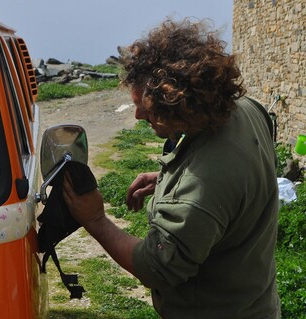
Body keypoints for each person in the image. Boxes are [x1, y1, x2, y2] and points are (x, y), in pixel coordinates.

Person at [62, 18, 280, 318]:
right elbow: (235, 177)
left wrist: (96, 220)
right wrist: (170, 177)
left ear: (178, 102)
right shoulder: (247, 109)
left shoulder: (201, 189)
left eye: (145, 106)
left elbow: (156, 268)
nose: (137, 114)